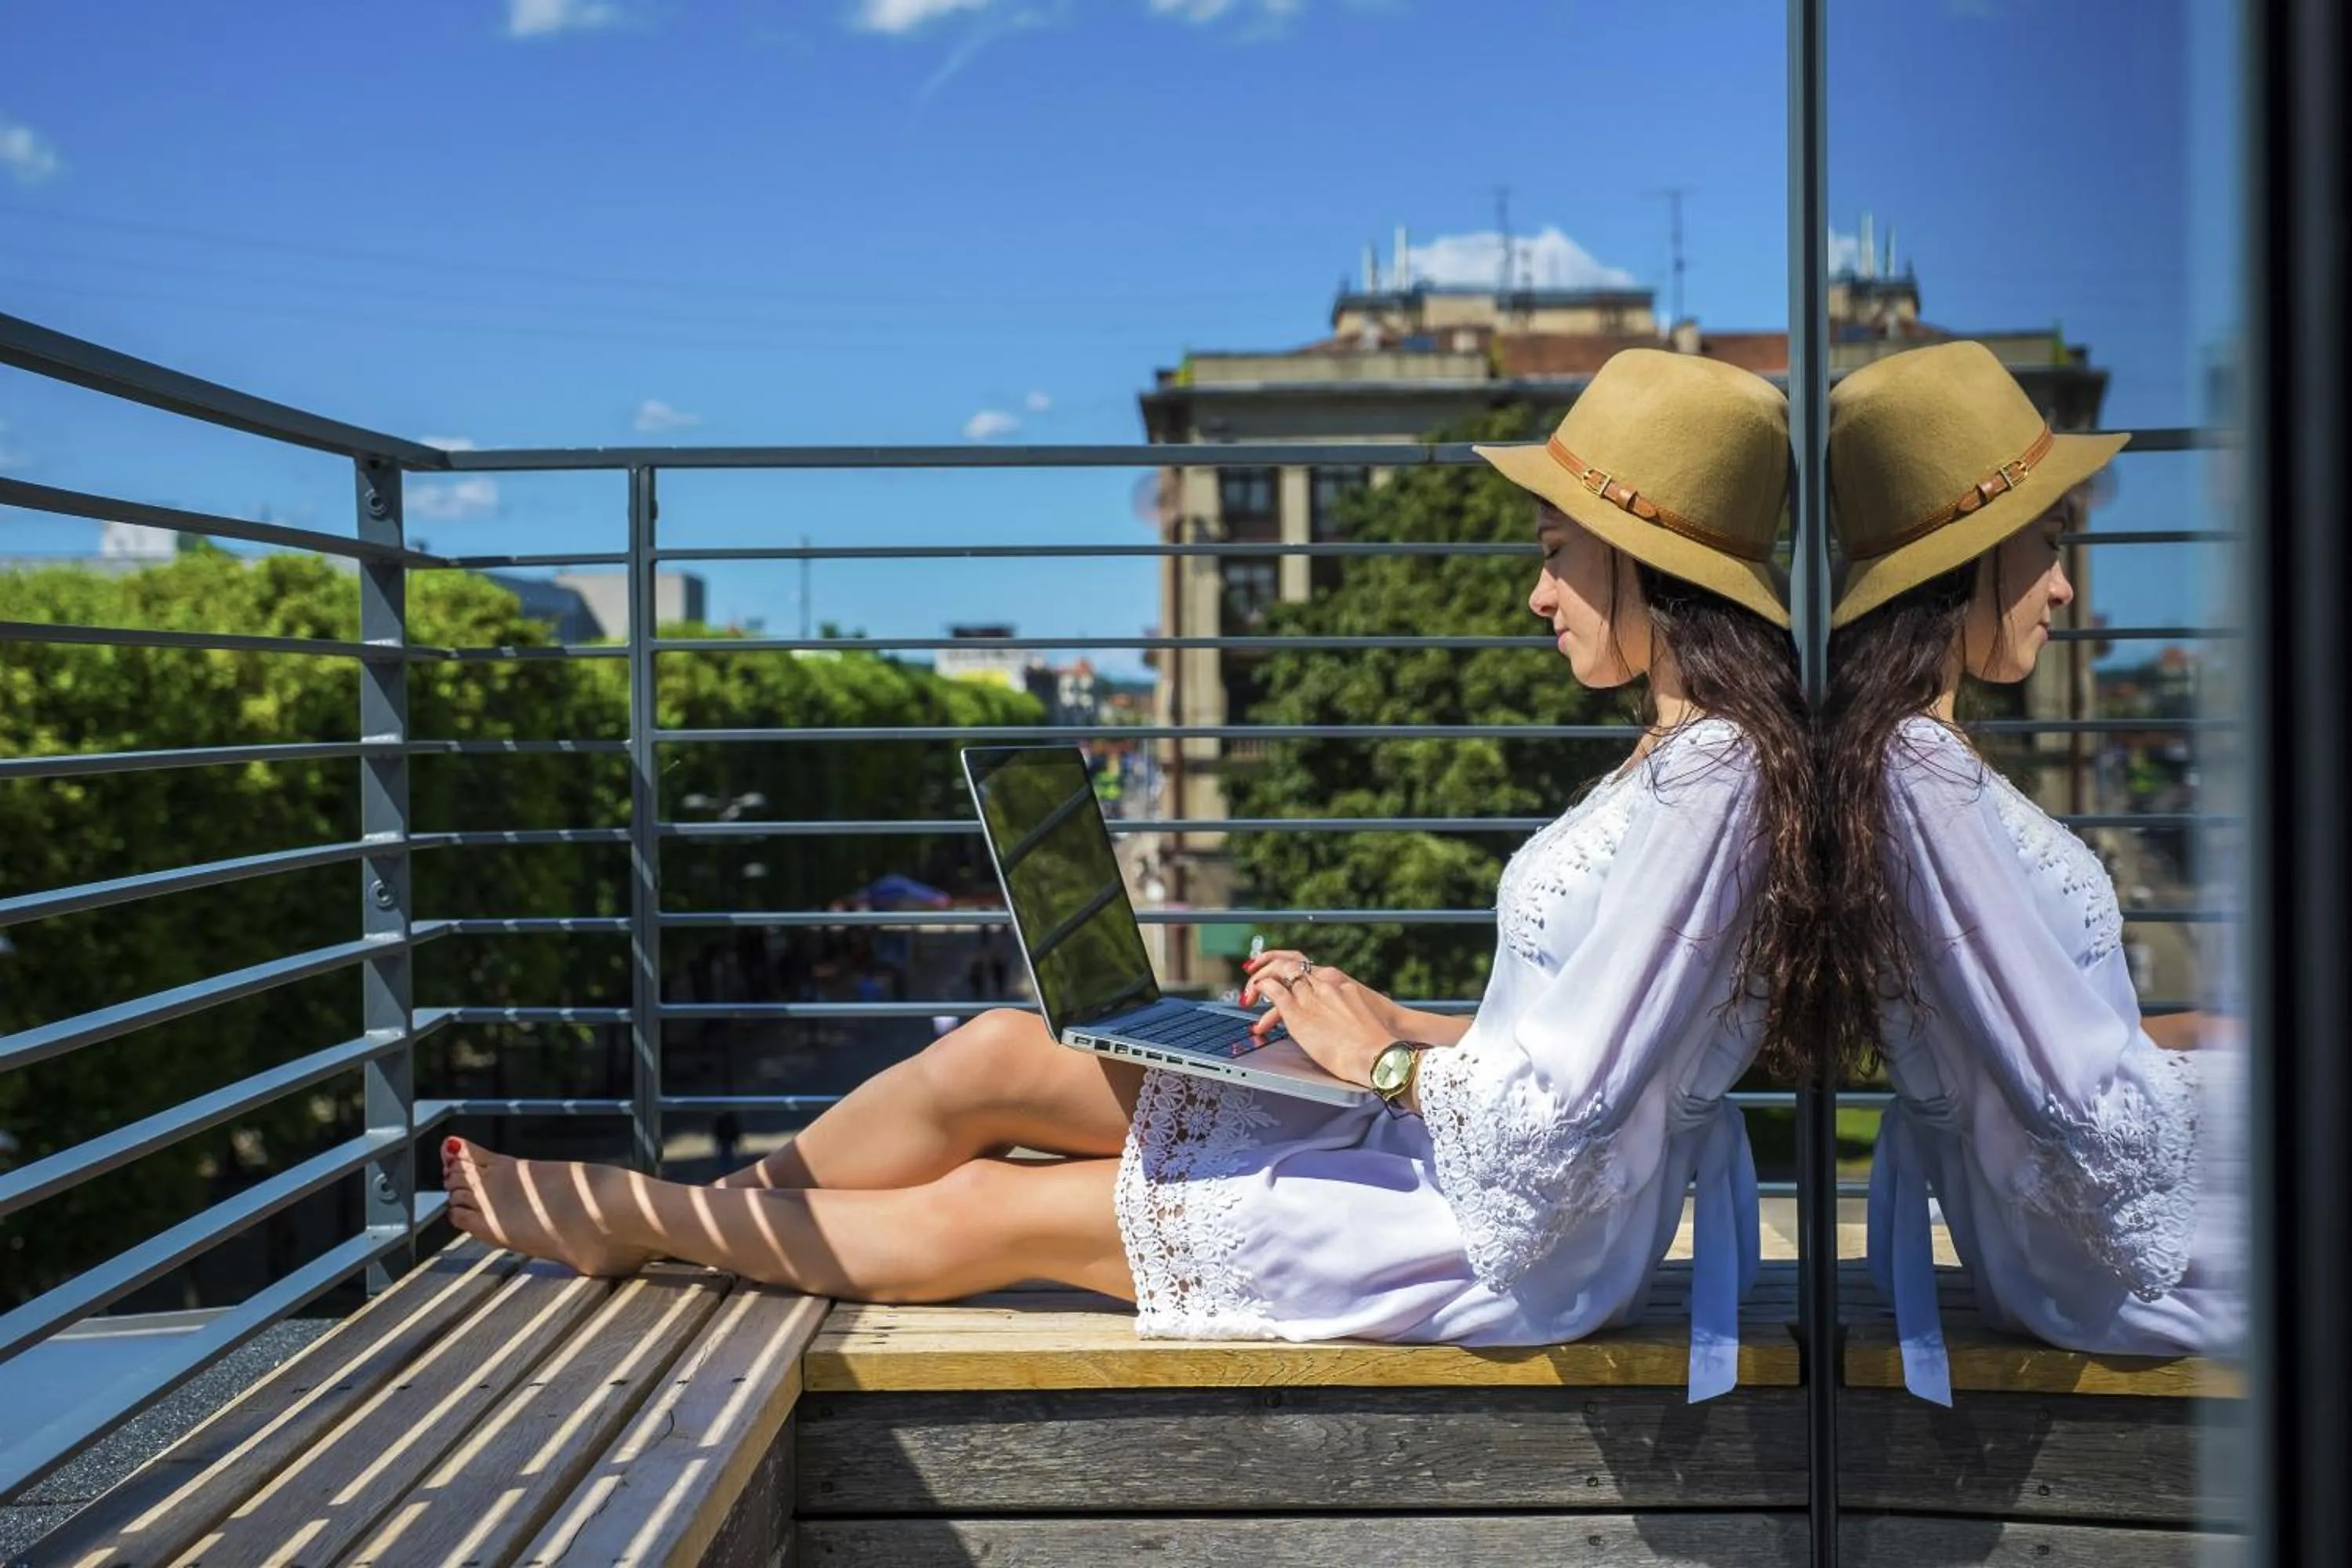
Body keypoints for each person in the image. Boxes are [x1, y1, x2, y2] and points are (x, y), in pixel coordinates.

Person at [439, 348, 1816, 1399]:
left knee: (996, 1207)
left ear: (1647, 562)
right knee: (996, 1053)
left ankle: (643, 1222)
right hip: (1454, 1143)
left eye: (1558, 556)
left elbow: (1568, 1124)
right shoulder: (1675, 761)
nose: (1536, 593)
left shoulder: (1710, 789)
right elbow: (1575, 1040)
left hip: (1504, 1237)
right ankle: (726, 1218)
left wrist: (1384, 1064)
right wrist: (1379, 1020)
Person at [1817, 340, 2241, 1405]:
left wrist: (2196, 1035)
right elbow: (2073, 1096)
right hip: (2090, 1260)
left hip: (2070, 1231)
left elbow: (2055, 1043)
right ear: (1966, 562)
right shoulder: (1921, 772)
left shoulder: (1922, 762)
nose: (2064, 586)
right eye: (2048, 547)